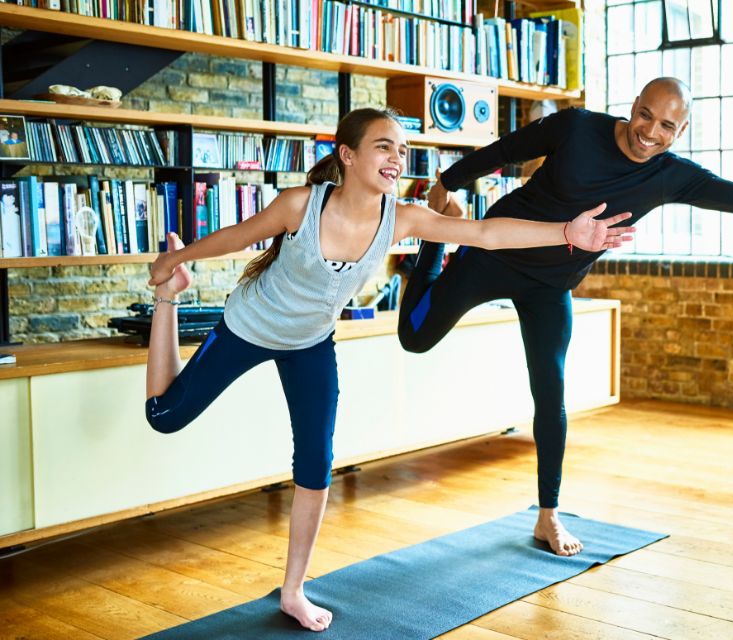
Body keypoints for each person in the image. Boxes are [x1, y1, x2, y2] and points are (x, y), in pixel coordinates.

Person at [143, 107, 635, 632]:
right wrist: (173, 265)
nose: (397, 157)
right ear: (348, 155)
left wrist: (567, 233)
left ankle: (293, 590)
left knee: (316, 465)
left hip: (309, 344)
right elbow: (239, 237)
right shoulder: (299, 206)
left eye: (401, 149)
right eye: (384, 146)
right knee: (165, 416)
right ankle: (166, 306)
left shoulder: (401, 218)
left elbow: (487, 233)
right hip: (250, 327)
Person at [401, 77, 733, 557]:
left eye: (667, 126)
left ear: (680, 131)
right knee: (415, 339)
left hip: (550, 285)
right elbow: (502, 152)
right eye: (645, 115)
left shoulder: (669, 175)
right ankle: (433, 241)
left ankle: (548, 514)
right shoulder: (576, 127)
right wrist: (444, 186)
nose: (650, 132)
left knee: (551, 391)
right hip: (494, 249)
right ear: (633, 106)